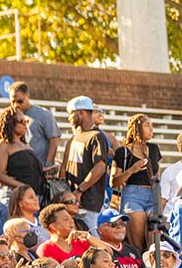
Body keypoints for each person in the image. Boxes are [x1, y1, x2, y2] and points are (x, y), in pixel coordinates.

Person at [110, 114, 160, 251]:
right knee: (137, 245)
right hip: (132, 195)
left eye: (152, 125)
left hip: (152, 194)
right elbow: (113, 181)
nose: (151, 129)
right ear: (136, 128)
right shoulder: (123, 151)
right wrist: (132, 170)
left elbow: (157, 175)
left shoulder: (154, 149)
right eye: (147, 125)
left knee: (153, 243)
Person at [61, 96, 110, 231]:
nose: (69, 118)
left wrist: (80, 191)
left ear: (81, 113)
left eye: (71, 114)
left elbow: (100, 167)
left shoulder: (96, 136)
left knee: (92, 241)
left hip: (89, 203)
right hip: (73, 203)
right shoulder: (75, 137)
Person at [0, 105, 47, 219]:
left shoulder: (26, 145)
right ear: (10, 122)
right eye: (21, 121)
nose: (25, 124)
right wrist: (23, 187)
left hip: (34, 196)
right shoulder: (3, 145)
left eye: (26, 121)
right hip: (13, 195)